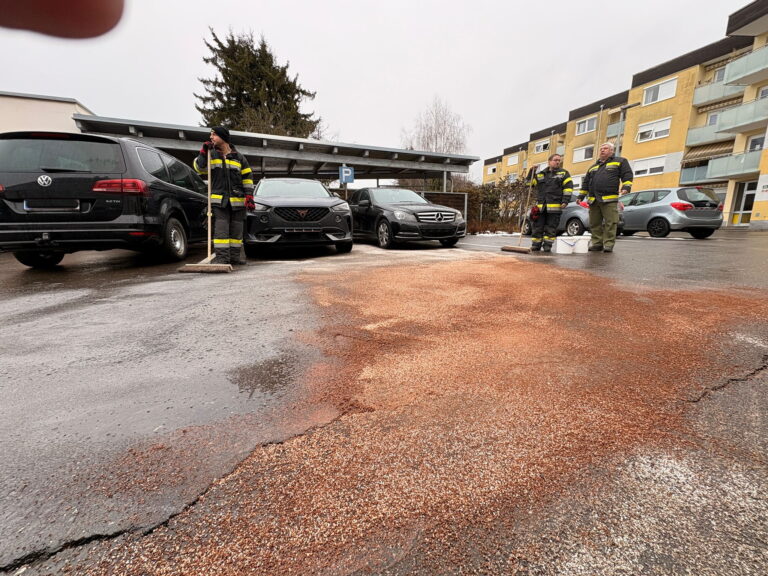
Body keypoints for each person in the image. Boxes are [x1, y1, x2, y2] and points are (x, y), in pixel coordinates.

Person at [193, 126, 255, 265]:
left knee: (236, 233)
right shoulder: (211, 154)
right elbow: (199, 168)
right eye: (211, 135)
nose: (211, 137)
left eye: (214, 134)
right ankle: (222, 260)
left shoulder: (239, 158)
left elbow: (247, 178)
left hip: (238, 203)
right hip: (219, 203)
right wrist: (203, 152)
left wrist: (249, 196)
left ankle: (235, 258)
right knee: (221, 233)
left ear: (223, 137)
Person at [579, 142, 633, 253]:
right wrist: (581, 195)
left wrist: (626, 187)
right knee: (594, 223)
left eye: (605, 148)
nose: (602, 150)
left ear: (612, 151)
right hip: (594, 199)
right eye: (601, 149)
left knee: (611, 222)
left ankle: (608, 244)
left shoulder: (620, 161)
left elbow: (627, 175)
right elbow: (586, 182)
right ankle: (597, 243)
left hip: (609, 199)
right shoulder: (593, 167)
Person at [529, 154, 573, 252]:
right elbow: (529, 184)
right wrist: (531, 172)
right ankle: (536, 245)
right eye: (555, 160)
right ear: (549, 162)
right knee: (537, 227)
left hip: (555, 206)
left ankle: (547, 246)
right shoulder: (540, 174)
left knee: (551, 227)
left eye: (559, 160)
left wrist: (565, 200)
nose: (557, 162)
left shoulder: (564, 173)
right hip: (541, 206)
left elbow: (568, 188)